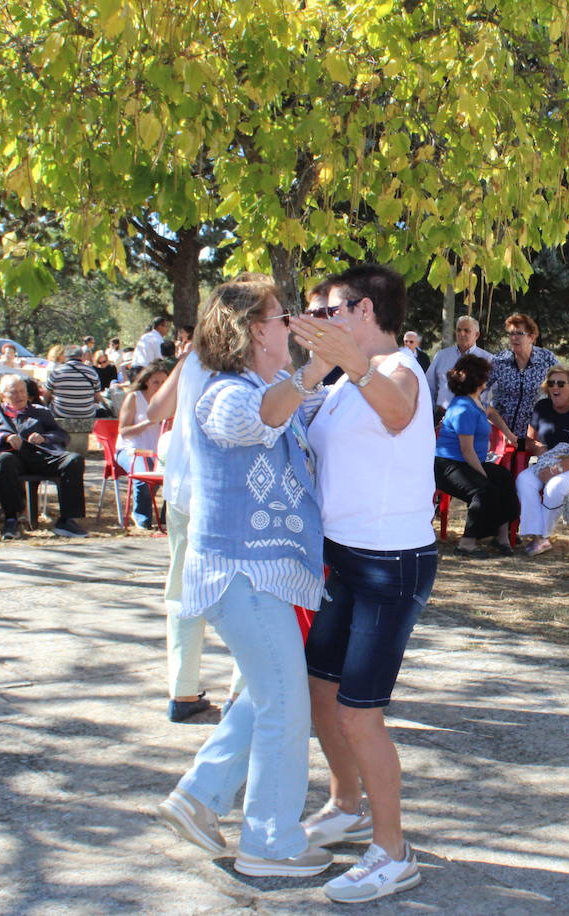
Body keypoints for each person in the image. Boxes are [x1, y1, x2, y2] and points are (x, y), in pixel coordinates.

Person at [155, 275, 332, 878]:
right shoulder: (227, 392)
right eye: (283, 318)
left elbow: (296, 411)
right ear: (257, 330)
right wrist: (315, 369)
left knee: (266, 695)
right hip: (242, 577)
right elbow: (258, 418)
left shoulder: (263, 385)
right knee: (286, 705)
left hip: (256, 577)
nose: (292, 326)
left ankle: (200, 797)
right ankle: (269, 844)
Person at [292, 264, 436, 904]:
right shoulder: (344, 381)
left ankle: (393, 851)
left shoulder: (401, 369)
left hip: (390, 563)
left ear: (365, 311)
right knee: (320, 693)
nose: (323, 320)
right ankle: (346, 805)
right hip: (342, 557)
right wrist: (318, 369)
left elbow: (399, 413)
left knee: (358, 712)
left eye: (332, 311)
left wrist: (350, 365)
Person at [146, 340, 246, 723]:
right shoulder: (253, 354)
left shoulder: (193, 360)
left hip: (183, 489)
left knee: (182, 591)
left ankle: (182, 689)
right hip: (227, 492)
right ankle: (241, 692)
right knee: (245, 590)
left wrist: (184, 363)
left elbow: (156, 410)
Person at [0, 373, 89, 539]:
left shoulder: (39, 411)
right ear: (3, 395)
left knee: (73, 460)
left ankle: (67, 520)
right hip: (12, 456)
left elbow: (62, 435)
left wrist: (44, 438)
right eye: (14, 392)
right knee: (4, 461)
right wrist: (4, 437)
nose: (19, 396)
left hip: (41, 454)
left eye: (22, 391)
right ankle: (11, 519)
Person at [433, 354, 519, 558]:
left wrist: (508, 434)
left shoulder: (476, 402)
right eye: (485, 374)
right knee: (483, 490)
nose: (488, 378)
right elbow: (467, 450)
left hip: (467, 462)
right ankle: (467, 544)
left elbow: (491, 412)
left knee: (504, 479)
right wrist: (483, 475)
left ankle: (501, 537)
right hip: (448, 465)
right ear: (478, 379)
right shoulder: (463, 408)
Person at [514, 363, 569, 557]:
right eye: (551, 383)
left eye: (561, 384)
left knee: (554, 486)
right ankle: (536, 533)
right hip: (548, 461)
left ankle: (543, 536)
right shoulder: (542, 407)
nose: (555, 387)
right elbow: (530, 440)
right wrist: (540, 450)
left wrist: (555, 470)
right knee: (524, 480)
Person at [488, 313, 558, 446]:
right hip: (501, 433)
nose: (513, 337)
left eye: (519, 333)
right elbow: (477, 388)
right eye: (511, 333)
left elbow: (568, 381)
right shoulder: (499, 360)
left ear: (531, 337)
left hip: (533, 434)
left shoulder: (546, 359)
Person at [116, 363, 170, 529]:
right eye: (156, 382)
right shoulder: (134, 398)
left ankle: (166, 518)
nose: (160, 386)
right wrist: (149, 422)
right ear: (147, 381)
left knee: (176, 476)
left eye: (164, 382)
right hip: (131, 450)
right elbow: (123, 431)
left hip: (157, 453)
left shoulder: (168, 401)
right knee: (143, 478)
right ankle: (141, 516)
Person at [425, 315, 494, 413]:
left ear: (477, 335)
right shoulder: (441, 356)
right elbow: (428, 386)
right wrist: (429, 412)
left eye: (466, 331)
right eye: (458, 330)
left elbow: (493, 392)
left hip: (474, 415)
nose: (461, 333)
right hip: (443, 415)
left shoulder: (488, 359)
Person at [46, 346, 105, 418]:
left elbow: (47, 395)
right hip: (87, 414)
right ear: (82, 356)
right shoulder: (92, 372)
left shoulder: (57, 371)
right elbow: (97, 398)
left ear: (65, 356)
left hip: (60, 413)